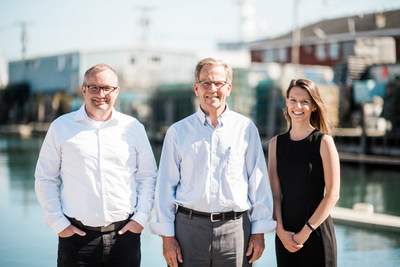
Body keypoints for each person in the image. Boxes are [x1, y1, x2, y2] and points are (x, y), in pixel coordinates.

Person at [150, 58, 276, 267]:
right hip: (188, 230)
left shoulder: (246, 129)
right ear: (196, 88)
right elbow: (164, 187)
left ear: (228, 87)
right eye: (206, 83)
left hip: (236, 230)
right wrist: (167, 238)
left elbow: (258, 182)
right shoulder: (177, 132)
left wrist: (259, 232)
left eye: (218, 83)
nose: (212, 89)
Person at [35, 64, 157, 266]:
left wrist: (141, 218)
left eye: (107, 88)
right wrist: (58, 223)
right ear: (84, 90)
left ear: (116, 91)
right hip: (76, 240)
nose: (101, 94)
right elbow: (45, 178)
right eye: (94, 88)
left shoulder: (133, 128)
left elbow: (148, 177)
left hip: (125, 238)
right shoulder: (61, 127)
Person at [268, 78, 340, 267]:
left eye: (305, 101)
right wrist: (280, 231)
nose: (297, 106)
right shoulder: (276, 144)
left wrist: (306, 231)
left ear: (314, 106)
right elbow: (275, 193)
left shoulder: (323, 142)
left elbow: (332, 195)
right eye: (292, 100)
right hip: (285, 236)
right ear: (286, 102)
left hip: (316, 233)